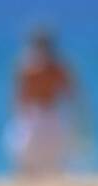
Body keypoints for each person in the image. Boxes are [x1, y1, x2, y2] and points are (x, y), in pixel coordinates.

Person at [5, 28, 87, 176]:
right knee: (51, 159)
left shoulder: (27, 67)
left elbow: (18, 97)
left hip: (38, 115)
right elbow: (73, 95)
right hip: (48, 115)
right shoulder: (55, 66)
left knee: (32, 159)